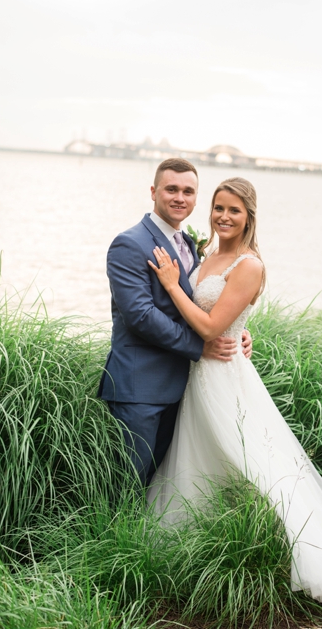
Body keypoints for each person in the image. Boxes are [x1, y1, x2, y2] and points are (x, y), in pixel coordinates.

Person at [146, 177, 322, 607]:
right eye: (219, 208)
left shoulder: (249, 264)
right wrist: (244, 331)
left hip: (223, 375)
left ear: (249, 217)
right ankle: (202, 543)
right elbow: (218, 313)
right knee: (204, 457)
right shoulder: (206, 253)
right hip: (195, 372)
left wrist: (171, 284)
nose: (224, 216)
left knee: (251, 460)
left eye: (234, 211)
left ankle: (290, 548)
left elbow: (209, 326)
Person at [99, 157, 252, 488]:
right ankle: (115, 540)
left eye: (188, 191)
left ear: (196, 199)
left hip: (182, 387)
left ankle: (148, 541)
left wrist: (235, 329)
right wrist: (201, 345)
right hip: (140, 387)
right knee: (128, 485)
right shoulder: (130, 244)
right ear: (154, 192)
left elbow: (200, 302)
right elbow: (140, 316)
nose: (179, 198)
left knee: (162, 487)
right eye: (171, 189)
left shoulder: (189, 245)